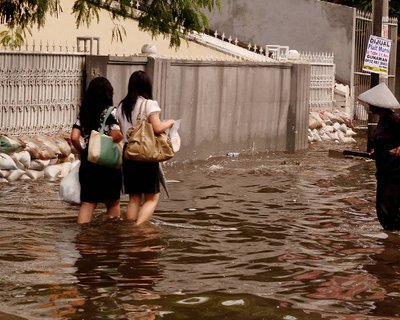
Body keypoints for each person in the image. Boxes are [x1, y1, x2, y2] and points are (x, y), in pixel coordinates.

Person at [116, 71, 174, 225]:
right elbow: (157, 128)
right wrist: (170, 122)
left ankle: (130, 228)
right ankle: (138, 227)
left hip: (129, 152)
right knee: (152, 197)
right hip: (145, 152)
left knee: (134, 198)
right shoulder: (149, 104)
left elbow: (122, 133)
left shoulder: (122, 106)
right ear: (147, 85)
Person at [70, 77, 123, 224]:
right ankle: (110, 236)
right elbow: (115, 135)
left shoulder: (84, 113)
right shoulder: (111, 112)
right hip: (107, 162)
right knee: (113, 203)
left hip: (89, 159)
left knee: (88, 202)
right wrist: (121, 136)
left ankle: (83, 238)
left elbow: (74, 137)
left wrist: (81, 152)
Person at [358, 82, 400, 230]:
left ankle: (393, 243)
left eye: (371, 104)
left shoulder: (394, 119)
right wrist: (378, 151)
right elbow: (384, 142)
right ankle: (390, 240)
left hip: (394, 174)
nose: (368, 106)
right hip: (383, 172)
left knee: (389, 211)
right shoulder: (383, 121)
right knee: (383, 210)